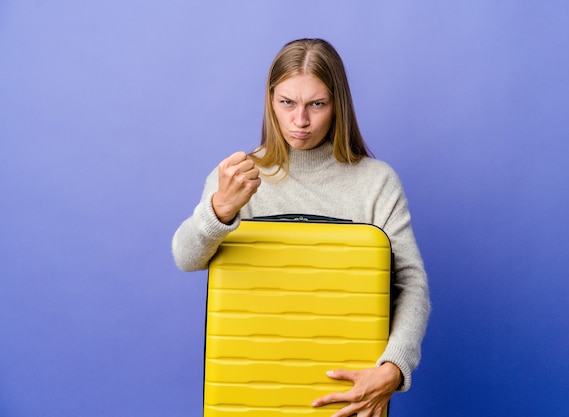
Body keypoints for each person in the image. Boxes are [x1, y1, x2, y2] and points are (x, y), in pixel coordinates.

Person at [172, 38, 430, 417]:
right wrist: (220, 208)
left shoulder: (377, 182)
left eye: (317, 104)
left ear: (337, 104)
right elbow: (185, 257)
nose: (301, 121)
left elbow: (411, 284)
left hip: (348, 396)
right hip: (250, 388)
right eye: (287, 103)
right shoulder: (239, 177)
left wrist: (393, 368)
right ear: (270, 101)